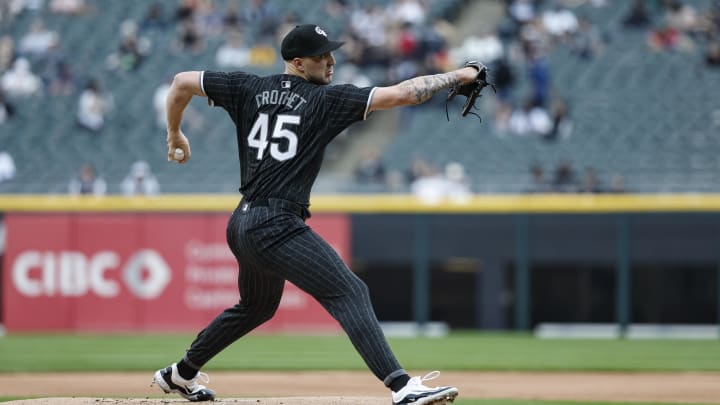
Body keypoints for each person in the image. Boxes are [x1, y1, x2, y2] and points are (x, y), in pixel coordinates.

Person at [152, 24, 477, 404]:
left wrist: (174, 134)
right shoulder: (326, 100)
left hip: (242, 222)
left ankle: (180, 373)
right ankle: (403, 388)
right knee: (350, 290)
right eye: (322, 56)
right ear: (297, 62)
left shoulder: (246, 87)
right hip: (275, 223)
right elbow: (404, 94)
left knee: (256, 307)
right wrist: (459, 75)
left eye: (331, 53)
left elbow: (180, 82)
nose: (331, 60)